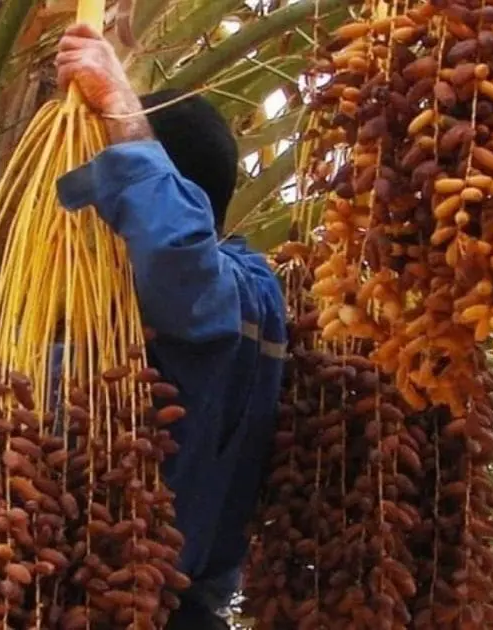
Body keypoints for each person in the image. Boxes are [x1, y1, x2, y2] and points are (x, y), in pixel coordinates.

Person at [54, 22, 288, 630]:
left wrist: (122, 113)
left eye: (110, 195)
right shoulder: (113, 307)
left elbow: (177, 253)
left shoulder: (242, 290)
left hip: (151, 608)